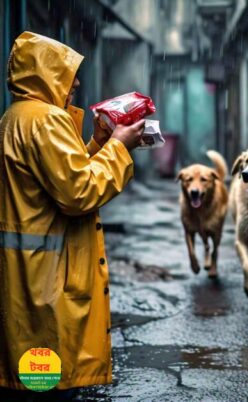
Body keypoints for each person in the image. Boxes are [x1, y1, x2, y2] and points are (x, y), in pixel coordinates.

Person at [0, 32, 145, 396]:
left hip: (31, 275)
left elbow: (63, 177)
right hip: (49, 280)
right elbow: (80, 192)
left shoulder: (17, 116)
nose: (76, 81)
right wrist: (118, 147)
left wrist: (97, 143)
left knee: (35, 374)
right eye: (67, 72)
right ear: (44, 73)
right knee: (47, 381)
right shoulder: (46, 120)